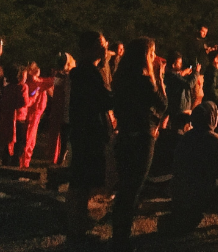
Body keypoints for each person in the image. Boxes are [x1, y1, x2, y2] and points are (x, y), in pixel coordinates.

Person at [111, 37, 168, 251]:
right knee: (133, 189)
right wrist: (159, 77)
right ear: (145, 56)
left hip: (125, 136)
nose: (154, 58)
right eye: (152, 53)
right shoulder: (145, 80)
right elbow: (162, 104)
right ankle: (122, 242)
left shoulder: (122, 78)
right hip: (142, 138)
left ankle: (119, 237)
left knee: (125, 188)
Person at [67, 31, 113, 247]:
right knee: (83, 182)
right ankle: (77, 231)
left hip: (82, 132)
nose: (106, 48)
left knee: (81, 181)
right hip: (91, 133)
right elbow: (105, 100)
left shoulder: (83, 72)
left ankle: (77, 227)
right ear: (94, 46)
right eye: (103, 44)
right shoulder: (89, 73)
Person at [161, 102, 218, 235]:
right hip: (202, 193)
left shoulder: (186, 138)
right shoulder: (216, 141)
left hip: (180, 191)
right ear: (212, 119)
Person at [18, 62, 55, 168]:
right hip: (33, 114)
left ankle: (24, 162)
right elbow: (51, 81)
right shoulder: (36, 81)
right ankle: (23, 164)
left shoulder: (35, 81)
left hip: (34, 114)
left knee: (30, 139)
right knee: (29, 139)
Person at [0, 64, 34, 166]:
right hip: (19, 118)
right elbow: (24, 103)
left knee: (8, 140)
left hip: (8, 118)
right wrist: (33, 98)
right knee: (19, 142)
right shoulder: (23, 87)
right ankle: (16, 162)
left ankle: (5, 161)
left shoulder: (7, 88)